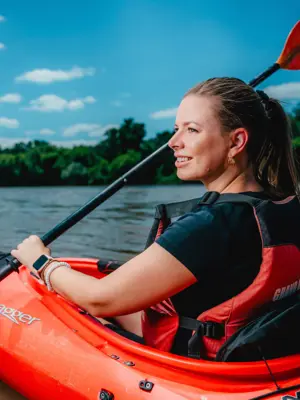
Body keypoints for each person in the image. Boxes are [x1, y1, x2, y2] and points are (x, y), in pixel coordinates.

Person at [12, 77, 300, 359]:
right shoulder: (283, 204)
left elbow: (100, 298)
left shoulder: (211, 225)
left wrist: (41, 261)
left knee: (63, 303)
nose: (173, 142)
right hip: (256, 356)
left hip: (196, 364)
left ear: (236, 141)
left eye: (191, 130)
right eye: (176, 129)